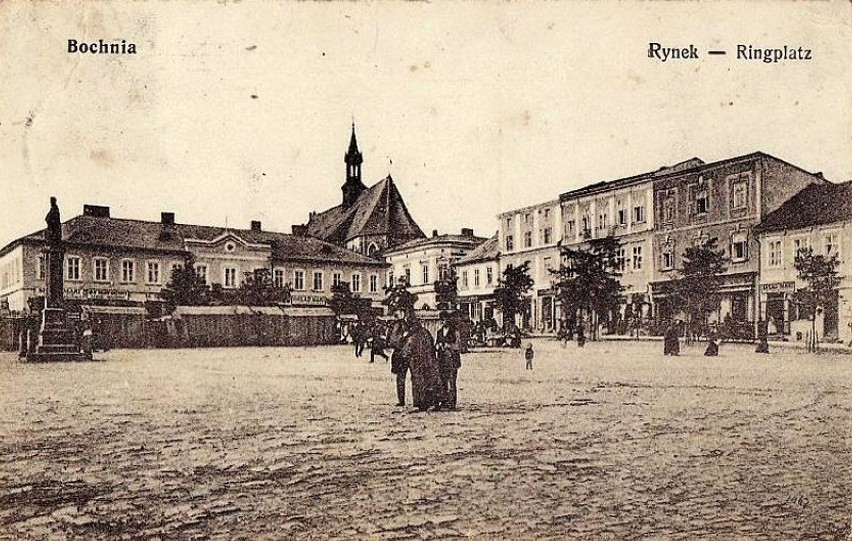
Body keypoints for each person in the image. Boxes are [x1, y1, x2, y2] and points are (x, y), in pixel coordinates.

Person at [387, 306, 441, 411]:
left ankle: (421, 402)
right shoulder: (399, 325)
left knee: (418, 379)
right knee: (404, 378)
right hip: (404, 356)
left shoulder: (418, 330)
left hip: (414, 357)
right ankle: (404, 400)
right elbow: (392, 341)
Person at [435, 311, 461, 409]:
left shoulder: (455, 331)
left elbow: (458, 346)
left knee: (452, 381)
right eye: (441, 320)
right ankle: (444, 401)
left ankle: (452, 403)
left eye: (444, 319)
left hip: (452, 360)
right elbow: (436, 343)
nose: (442, 321)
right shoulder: (439, 332)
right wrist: (438, 346)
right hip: (442, 360)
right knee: (443, 381)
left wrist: (448, 346)